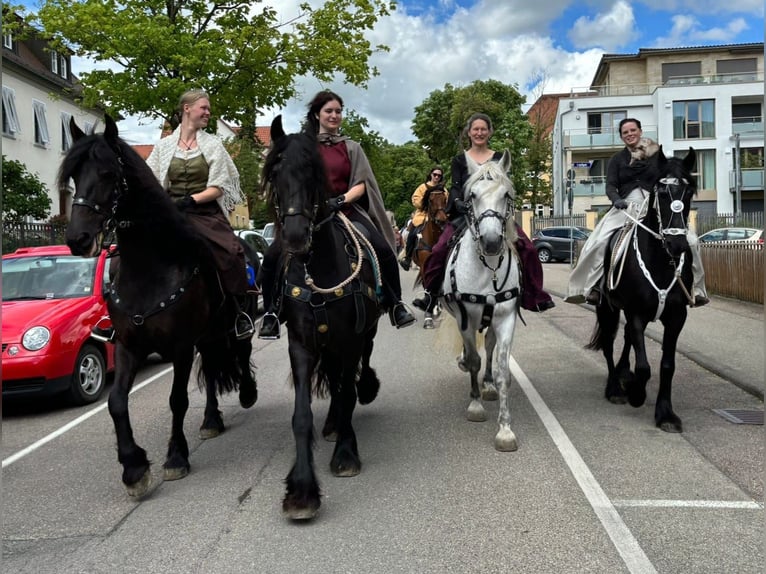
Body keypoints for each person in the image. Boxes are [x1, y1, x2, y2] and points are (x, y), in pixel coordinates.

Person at [258, 90, 415, 338]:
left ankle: (395, 304)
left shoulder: (351, 147)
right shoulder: (303, 147)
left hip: (347, 210)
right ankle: (270, 313)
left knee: (382, 249)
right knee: (272, 256)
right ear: (316, 115)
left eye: (338, 111)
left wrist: (339, 200)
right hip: (311, 215)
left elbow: (361, 184)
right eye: (328, 111)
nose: (334, 116)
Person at [414, 113, 555, 313]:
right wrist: (456, 202)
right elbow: (455, 187)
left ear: (489, 132)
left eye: (483, 129)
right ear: (469, 133)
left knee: (529, 250)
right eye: (475, 129)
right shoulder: (459, 160)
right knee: (437, 251)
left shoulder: (499, 159)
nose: (479, 133)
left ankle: (534, 295)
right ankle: (431, 295)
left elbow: (504, 186)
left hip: (496, 215)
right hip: (467, 216)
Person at [565, 118, 708, 306]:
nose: (630, 134)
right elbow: (610, 186)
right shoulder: (617, 159)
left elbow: (668, 179)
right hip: (625, 207)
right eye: (625, 132)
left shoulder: (657, 156)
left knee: (691, 240)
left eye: (633, 130)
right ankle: (594, 287)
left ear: (640, 131)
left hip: (653, 206)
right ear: (621, 137)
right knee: (598, 241)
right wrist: (616, 200)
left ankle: (696, 289)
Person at [147, 89, 254, 338]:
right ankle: (124, 315)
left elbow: (218, 187)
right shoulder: (163, 147)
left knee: (232, 252)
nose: (208, 112)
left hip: (204, 213)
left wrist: (190, 200)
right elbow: (150, 181)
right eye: (203, 108)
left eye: (208, 108)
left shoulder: (213, 144)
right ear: (187, 109)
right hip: (169, 213)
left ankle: (238, 312)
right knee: (131, 252)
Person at [399, 166, 447, 271]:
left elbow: (446, 201)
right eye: (435, 174)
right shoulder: (422, 187)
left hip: (439, 215)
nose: (437, 177)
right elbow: (415, 199)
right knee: (412, 233)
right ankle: (407, 258)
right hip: (423, 215)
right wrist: (424, 204)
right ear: (431, 174)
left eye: (439, 175)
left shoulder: (443, 189)